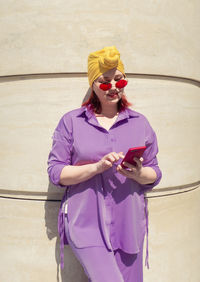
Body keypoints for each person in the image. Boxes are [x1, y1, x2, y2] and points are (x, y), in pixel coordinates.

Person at [47, 46, 162, 282]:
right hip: (86, 225)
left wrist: (138, 173)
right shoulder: (72, 122)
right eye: (105, 81)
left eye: (119, 81)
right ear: (93, 85)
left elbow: (155, 173)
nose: (113, 87)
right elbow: (56, 172)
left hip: (128, 224)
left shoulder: (140, 123)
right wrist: (96, 168)